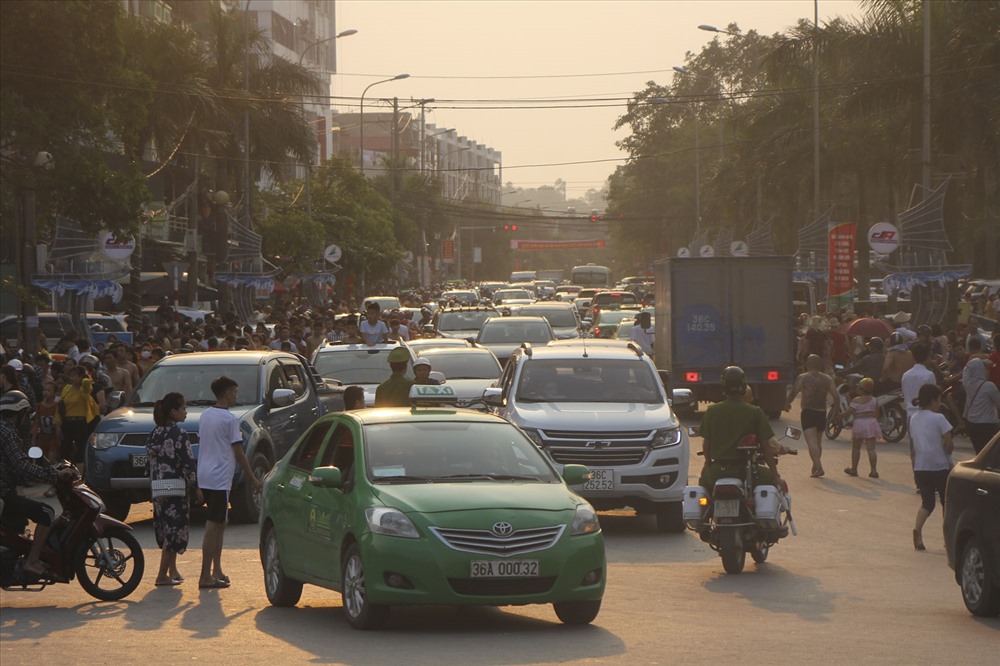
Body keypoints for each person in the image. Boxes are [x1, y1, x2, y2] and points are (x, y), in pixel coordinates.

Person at [196, 376, 262, 589]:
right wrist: (253, 478)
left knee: (221, 523)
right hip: (218, 477)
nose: (236, 396)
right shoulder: (230, 419)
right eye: (234, 392)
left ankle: (217, 569)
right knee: (213, 526)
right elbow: (239, 453)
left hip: (206, 475)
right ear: (226, 394)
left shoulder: (205, 415)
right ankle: (205, 575)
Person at [0, 391, 75, 578]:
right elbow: (22, 466)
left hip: (7, 490)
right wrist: (54, 475)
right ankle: (32, 561)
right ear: (20, 413)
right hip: (4, 493)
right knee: (46, 513)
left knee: (21, 517)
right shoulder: (7, 431)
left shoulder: (5, 429)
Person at [147, 392, 202, 586]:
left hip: (158, 488)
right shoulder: (179, 434)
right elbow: (188, 463)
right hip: (176, 489)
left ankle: (172, 570)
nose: (186, 412)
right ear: (173, 412)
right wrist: (196, 488)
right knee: (175, 531)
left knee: (165, 528)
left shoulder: (156, 432)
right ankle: (162, 575)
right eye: (183, 408)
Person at [699, 366, 781, 490]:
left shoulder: (712, 411)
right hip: (746, 472)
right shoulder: (755, 412)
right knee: (771, 483)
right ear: (744, 386)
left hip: (717, 471)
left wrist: (709, 464)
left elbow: (706, 446)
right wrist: (776, 476)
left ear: (723, 386)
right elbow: (766, 447)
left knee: (703, 485)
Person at [909, 384, 953, 551]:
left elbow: (914, 447)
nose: (939, 403)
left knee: (927, 503)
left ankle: (918, 530)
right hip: (940, 467)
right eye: (939, 399)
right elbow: (949, 444)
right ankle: (947, 539)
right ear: (934, 400)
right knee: (946, 503)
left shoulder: (914, 418)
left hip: (921, 468)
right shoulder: (939, 418)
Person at [786, 354, 839, 478]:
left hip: (808, 412)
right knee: (818, 442)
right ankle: (815, 467)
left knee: (811, 442)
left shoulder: (803, 377)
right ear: (820, 365)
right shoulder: (827, 379)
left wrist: (787, 404)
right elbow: (836, 396)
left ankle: (819, 466)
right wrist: (837, 412)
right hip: (821, 412)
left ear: (807, 365)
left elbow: (793, 392)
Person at [841, 377, 880, 478]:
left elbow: (848, 413)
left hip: (859, 423)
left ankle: (854, 469)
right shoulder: (874, 400)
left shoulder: (856, 400)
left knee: (856, 447)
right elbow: (877, 413)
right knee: (871, 449)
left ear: (862, 390)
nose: (857, 389)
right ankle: (874, 471)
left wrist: (839, 415)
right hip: (871, 423)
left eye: (859, 387)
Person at [961, 358, 1000, 454]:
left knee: (980, 453)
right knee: (990, 453)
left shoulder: (967, 383)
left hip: (972, 424)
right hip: (988, 425)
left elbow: (966, 369)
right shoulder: (989, 386)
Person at [901, 344, 937, 428]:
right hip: (926, 417)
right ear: (927, 357)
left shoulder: (905, 375)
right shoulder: (929, 375)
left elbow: (905, 394)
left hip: (910, 415)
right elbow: (934, 396)